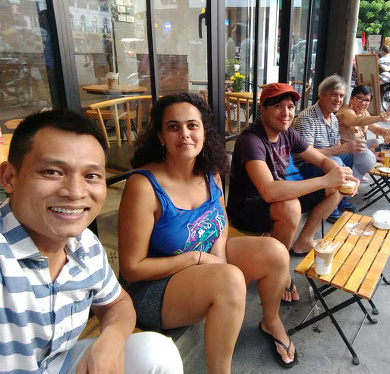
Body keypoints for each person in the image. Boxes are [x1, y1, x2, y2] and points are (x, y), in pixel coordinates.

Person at [118, 93, 297, 371]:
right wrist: (198, 260)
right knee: (230, 279)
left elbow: (221, 217)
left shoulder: (209, 171)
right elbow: (132, 269)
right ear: (161, 136)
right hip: (153, 287)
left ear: (203, 132)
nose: (185, 134)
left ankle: (271, 321)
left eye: (192, 125)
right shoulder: (143, 186)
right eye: (173, 127)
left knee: (275, 251)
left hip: (204, 264)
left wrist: (217, 249)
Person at [0, 110, 182, 373]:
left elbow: (117, 303)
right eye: (52, 172)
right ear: (9, 178)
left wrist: (111, 340)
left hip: (59, 363)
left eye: (91, 176)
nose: (75, 192)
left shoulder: (84, 244)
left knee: (156, 351)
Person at [227, 82, 358, 260]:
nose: (286, 113)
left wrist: (342, 176)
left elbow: (321, 159)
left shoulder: (287, 133)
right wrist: (326, 180)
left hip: (277, 199)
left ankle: (304, 240)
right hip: (246, 209)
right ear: (263, 109)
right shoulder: (251, 140)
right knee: (290, 206)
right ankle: (277, 267)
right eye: (278, 106)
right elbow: (269, 191)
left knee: (338, 187)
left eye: (290, 107)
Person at [292, 74, 365, 219]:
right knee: (337, 162)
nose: (338, 100)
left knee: (354, 154)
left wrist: (344, 150)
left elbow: (336, 145)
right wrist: (341, 150)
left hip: (325, 162)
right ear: (321, 94)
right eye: (333, 94)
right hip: (304, 166)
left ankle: (341, 196)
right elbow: (306, 154)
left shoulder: (333, 117)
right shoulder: (307, 118)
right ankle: (330, 208)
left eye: (341, 96)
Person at [336, 84, 390, 180]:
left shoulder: (364, 113)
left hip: (356, 148)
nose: (363, 103)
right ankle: (354, 179)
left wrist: (384, 132)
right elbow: (354, 121)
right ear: (351, 99)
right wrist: (379, 118)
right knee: (366, 156)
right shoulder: (346, 111)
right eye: (359, 98)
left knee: (377, 143)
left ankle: (360, 169)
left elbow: (376, 129)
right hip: (343, 151)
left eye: (366, 100)